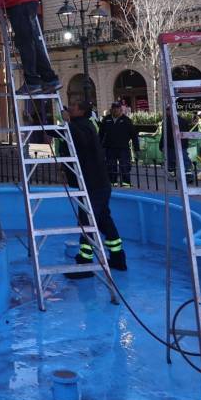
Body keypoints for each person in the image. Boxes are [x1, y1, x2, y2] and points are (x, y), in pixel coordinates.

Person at [62, 100, 127, 276]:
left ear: (81, 111)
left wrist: (67, 123)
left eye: (73, 106)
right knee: (104, 220)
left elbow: (80, 139)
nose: (69, 108)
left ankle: (85, 263)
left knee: (87, 221)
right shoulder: (81, 125)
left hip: (93, 185)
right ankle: (118, 257)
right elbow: (65, 134)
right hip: (97, 184)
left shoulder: (84, 126)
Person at [99, 101, 139, 188]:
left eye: (117, 109)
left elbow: (134, 135)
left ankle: (126, 184)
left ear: (121, 110)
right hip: (110, 148)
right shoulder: (106, 120)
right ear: (111, 110)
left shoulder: (126, 120)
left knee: (125, 166)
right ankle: (112, 183)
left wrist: (137, 149)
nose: (115, 110)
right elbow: (100, 134)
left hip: (123, 148)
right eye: (114, 109)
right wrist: (99, 146)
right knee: (111, 167)